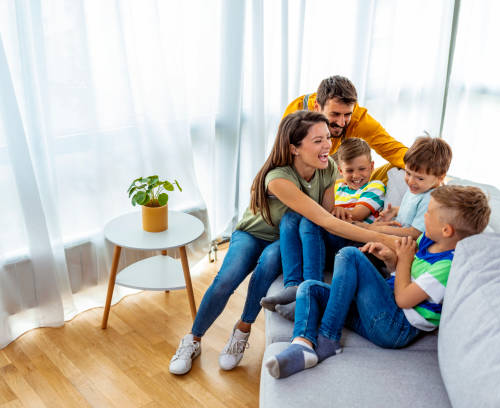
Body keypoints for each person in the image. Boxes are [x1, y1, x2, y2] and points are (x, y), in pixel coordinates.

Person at [169, 111, 398, 376]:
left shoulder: (328, 169)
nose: (328, 145)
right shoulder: (278, 177)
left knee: (268, 263)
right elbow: (326, 220)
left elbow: (326, 221)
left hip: (283, 238)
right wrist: (385, 238)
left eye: (327, 138)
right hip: (253, 233)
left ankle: (242, 330)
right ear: (294, 148)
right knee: (226, 279)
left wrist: (378, 228)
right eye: (318, 141)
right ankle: (193, 339)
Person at [265, 185, 491, 379]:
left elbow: (404, 299)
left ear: (446, 230)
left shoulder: (447, 266)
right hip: (380, 313)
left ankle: (328, 337)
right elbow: (402, 278)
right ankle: (302, 345)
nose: (424, 216)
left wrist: (405, 260)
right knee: (309, 288)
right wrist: (391, 260)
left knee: (349, 255)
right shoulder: (427, 241)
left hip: (395, 327)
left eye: (429, 213)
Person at [260, 138, 386, 316]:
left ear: (372, 166)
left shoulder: (375, 186)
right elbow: (326, 211)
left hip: (353, 241)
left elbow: (356, 214)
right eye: (350, 170)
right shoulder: (338, 188)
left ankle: (312, 292)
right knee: (290, 218)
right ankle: (293, 285)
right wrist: (329, 212)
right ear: (340, 171)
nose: (356, 175)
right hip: (331, 239)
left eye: (362, 169)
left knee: (312, 220)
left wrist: (336, 211)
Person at [283, 75, 408, 184]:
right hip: (303, 169)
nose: (342, 123)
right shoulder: (295, 115)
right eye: (335, 114)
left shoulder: (358, 120)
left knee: (399, 169)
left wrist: (418, 167)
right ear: (317, 107)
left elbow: (393, 150)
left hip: (339, 170)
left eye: (347, 114)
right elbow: (284, 162)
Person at [362, 136, 453, 239]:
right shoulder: (419, 188)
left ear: (440, 177)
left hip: (405, 243)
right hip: (396, 237)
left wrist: (380, 229)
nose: (410, 181)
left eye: (420, 178)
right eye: (408, 173)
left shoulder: (431, 200)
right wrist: (395, 211)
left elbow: (416, 233)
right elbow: (413, 210)